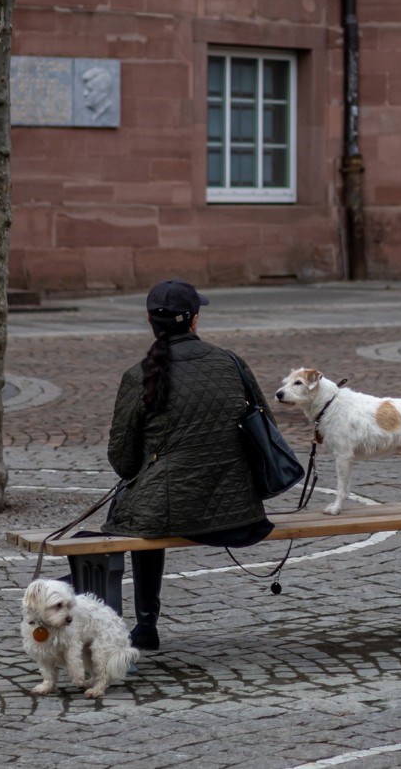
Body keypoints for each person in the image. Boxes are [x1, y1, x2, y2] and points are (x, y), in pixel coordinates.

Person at [103, 279, 272, 651]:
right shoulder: (230, 362)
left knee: (141, 509)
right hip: (239, 515)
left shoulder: (138, 375)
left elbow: (123, 461)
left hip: (165, 515)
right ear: (194, 321)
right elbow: (266, 428)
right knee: (150, 506)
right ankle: (144, 626)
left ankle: (146, 626)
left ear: (151, 322)